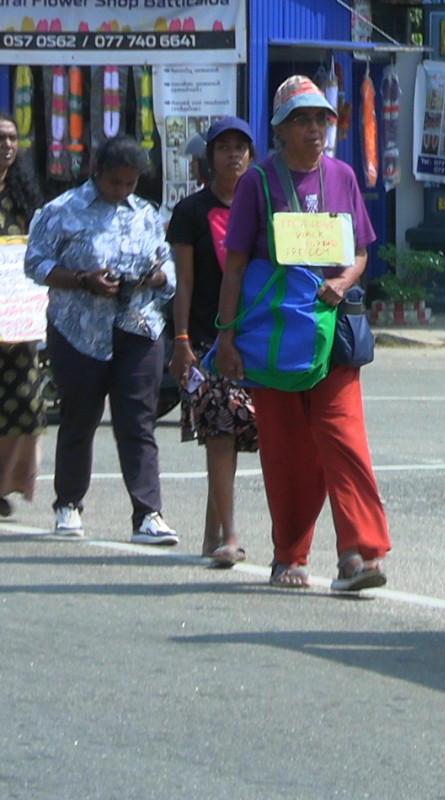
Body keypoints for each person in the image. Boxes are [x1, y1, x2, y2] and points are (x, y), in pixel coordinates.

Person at [214, 75, 390, 591]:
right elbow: (235, 266)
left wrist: (343, 281)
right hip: (275, 335)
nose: (314, 129)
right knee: (287, 451)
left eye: (320, 119)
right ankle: (290, 554)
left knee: (345, 439)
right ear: (280, 129)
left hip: (334, 333)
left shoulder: (343, 176)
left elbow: (360, 252)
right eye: (301, 120)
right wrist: (226, 338)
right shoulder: (258, 183)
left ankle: (360, 553)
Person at [24, 134, 178, 544]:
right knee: (80, 418)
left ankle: (148, 514)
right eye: (115, 182)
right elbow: (35, 263)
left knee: (137, 422)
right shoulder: (61, 210)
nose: (122, 189)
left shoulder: (146, 213)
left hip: (138, 328)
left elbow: (169, 268)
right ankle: (68, 503)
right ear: (96, 171)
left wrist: (155, 278)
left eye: (130, 182)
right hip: (78, 330)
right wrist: (81, 279)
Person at [167, 117, 258, 567]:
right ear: (210, 157)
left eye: (241, 147)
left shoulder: (264, 207)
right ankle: (229, 535)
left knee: (235, 435)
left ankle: (212, 535)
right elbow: (183, 281)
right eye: (224, 147)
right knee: (220, 430)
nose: (233, 155)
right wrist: (181, 340)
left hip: (257, 335)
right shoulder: (190, 212)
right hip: (206, 337)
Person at [0, 111, 46, 518]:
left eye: (12, 138)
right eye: (1, 138)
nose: (7, 145)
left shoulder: (24, 197)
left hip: (17, 318)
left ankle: (6, 482)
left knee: (27, 402)